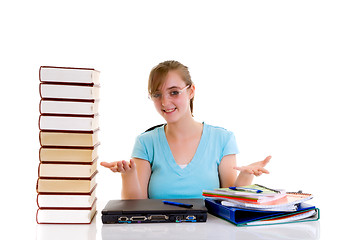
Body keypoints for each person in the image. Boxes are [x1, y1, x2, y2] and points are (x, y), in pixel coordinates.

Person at [101, 60, 271, 199]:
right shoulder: (146, 142)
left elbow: (229, 201)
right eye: (157, 95)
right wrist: (128, 175)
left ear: (191, 91)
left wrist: (247, 175)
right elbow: (136, 208)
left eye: (174, 92)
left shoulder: (222, 139)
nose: (165, 103)